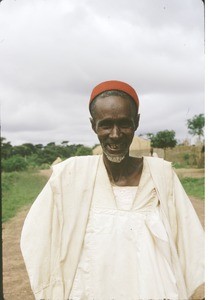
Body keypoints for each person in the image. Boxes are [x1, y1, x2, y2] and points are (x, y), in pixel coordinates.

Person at [21, 80, 204, 300]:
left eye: (124, 124)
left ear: (136, 123)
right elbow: (37, 239)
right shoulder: (70, 176)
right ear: (93, 125)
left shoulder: (161, 176)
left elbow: (188, 242)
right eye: (106, 124)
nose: (115, 135)